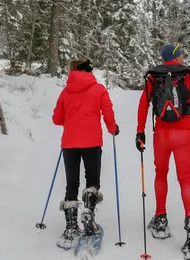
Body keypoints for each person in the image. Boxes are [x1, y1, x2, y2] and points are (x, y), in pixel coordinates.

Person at [136, 43, 190, 256]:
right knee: (186, 179)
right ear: (175, 57)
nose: (183, 57)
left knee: (161, 173)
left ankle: (160, 218)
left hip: (162, 134)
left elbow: (143, 104)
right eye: (181, 54)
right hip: (184, 133)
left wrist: (140, 131)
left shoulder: (153, 76)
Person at [52, 57, 119, 249]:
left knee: (71, 183)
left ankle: (71, 227)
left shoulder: (66, 91)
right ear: (89, 71)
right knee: (92, 180)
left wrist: (71, 119)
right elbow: (107, 112)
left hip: (70, 143)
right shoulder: (98, 89)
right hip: (92, 142)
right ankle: (88, 212)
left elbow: (57, 119)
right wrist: (113, 129)